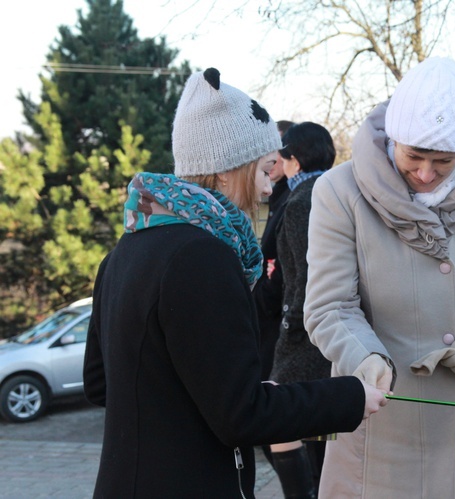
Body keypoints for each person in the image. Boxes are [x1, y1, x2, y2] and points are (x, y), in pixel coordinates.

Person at [82, 68, 387, 498]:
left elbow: (103, 383)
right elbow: (241, 416)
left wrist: (215, 389)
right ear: (227, 171)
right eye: (264, 170)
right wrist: (349, 397)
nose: (268, 187)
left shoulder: (126, 249)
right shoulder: (201, 256)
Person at [304, 56, 455, 497]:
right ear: (392, 139)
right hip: (381, 439)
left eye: (443, 160)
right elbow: (330, 307)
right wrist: (364, 359)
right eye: (413, 156)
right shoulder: (338, 192)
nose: (425, 173)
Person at [268, 121, 338, 498]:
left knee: (283, 416)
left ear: (294, 160)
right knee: (319, 425)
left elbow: (304, 275)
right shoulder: (336, 192)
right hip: (328, 327)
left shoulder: (301, 203)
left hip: (305, 331)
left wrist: (290, 322)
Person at [254, 119, 296, 382]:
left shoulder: (295, 197)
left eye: (278, 151)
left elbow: (285, 258)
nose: (272, 158)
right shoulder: (280, 193)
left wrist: (266, 296)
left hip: (278, 310)